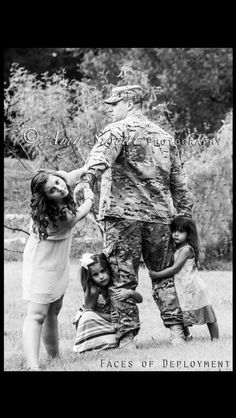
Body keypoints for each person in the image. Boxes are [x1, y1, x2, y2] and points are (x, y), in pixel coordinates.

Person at [73, 84, 194, 347]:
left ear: (129, 103)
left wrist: (86, 181)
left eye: (114, 104)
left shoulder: (116, 130)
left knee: (121, 277)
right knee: (163, 274)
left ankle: (127, 338)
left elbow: (99, 159)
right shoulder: (164, 136)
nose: (110, 110)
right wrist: (184, 218)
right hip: (160, 218)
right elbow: (181, 183)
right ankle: (177, 333)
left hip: (122, 217)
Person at [22, 167, 94, 370]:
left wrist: (87, 171)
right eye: (52, 189)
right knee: (37, 314)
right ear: (45, 197)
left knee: (54, 310)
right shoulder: (55, 214)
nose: (59, 188)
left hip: (58, 261)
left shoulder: (62, 183)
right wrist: (89, 197)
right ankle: (33, 365)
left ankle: (54, 358)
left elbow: (72, 176)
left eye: (58, 182)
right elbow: (75, 217)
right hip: (42, 263)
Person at [149, 216, 219, 341]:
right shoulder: (178, 247)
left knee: (207, 313)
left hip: (193, 286)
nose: (176, 234)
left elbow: (175, 269)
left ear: (189, 233)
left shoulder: (186, 249)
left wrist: (156, 275)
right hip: (183, 286)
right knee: (181, 311)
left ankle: (215, 338)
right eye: (174, 230)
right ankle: (187, 336)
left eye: (181, 231)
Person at [73, 252, 143, 353]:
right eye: (96, 275)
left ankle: (118, 339)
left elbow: (140, 300)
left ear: (109, 270)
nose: (101, 277)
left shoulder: (116, 285)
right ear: (91, 277)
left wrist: (130, 292)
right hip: (98, 322)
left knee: (126, 306)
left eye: (103, 271)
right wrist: (108, 317)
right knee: (87, 317)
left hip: (113, 322)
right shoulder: (93, 290)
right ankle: (97, 342)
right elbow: (88, 313)